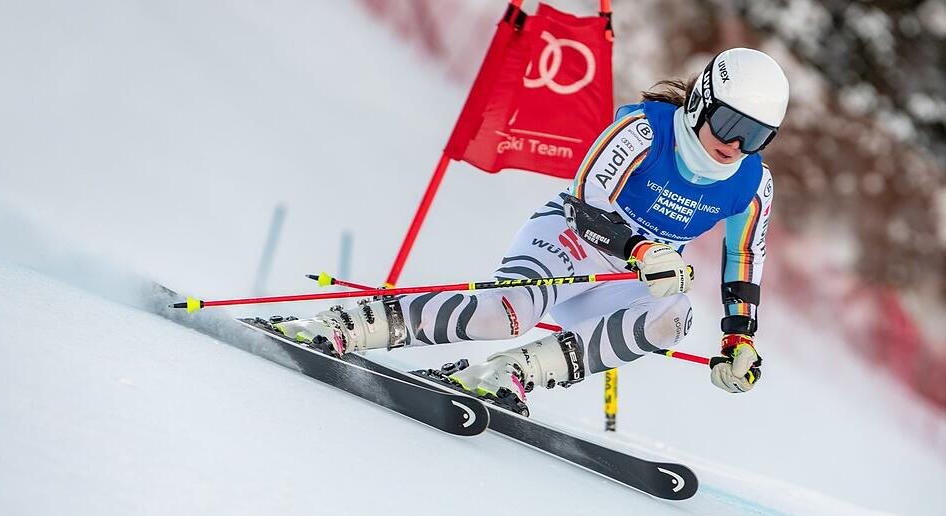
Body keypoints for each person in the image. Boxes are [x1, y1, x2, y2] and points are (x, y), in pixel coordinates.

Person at [276, 47, 787, 408]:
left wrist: (738, 338)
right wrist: (640, 249)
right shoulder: (645, 131)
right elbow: (587, 202)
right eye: (729, 125)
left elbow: (743, 261)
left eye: (756, 135)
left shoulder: (752, 183)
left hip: (633, 274)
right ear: (701, 103)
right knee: (506, 313)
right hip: (572, 241)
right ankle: (345, 325)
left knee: (675, 315)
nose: (736, 145)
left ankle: (510, 373)